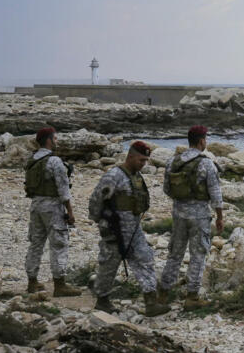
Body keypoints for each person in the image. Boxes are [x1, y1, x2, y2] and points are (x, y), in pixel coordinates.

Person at [89, 141, 168, 317]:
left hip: (133, 229)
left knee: (145, 258)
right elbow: (96, 200)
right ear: (130, 156)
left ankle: (150, 302)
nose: (143, 164)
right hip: (115, 230)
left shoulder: (137, 177)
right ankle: (102, 301)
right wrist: (100, 222)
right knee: (109, 264)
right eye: (141, 160)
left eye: (146, 160)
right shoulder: (114, 176)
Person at [159, 125, 224, 310]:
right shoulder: (206, 163)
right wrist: (220, 217)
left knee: (175, 254)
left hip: (179, 214)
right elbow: (215, 194)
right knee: (198, 254)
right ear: (202, 140)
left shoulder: (173, 162)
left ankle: (163, 293)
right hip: (200, 216)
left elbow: (166, 189)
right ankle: (192, 296)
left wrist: (182, 201)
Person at [24, 127, 80, 297]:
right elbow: (64, 190)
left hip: (36, 205)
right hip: (53, 206)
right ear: (49, 140)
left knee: (36, 244)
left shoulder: (32, 160)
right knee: (59, 243)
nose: (56, 141)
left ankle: (32, 282)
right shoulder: (54, 161)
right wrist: (70, 212)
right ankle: (60, 285)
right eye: (55, 139)